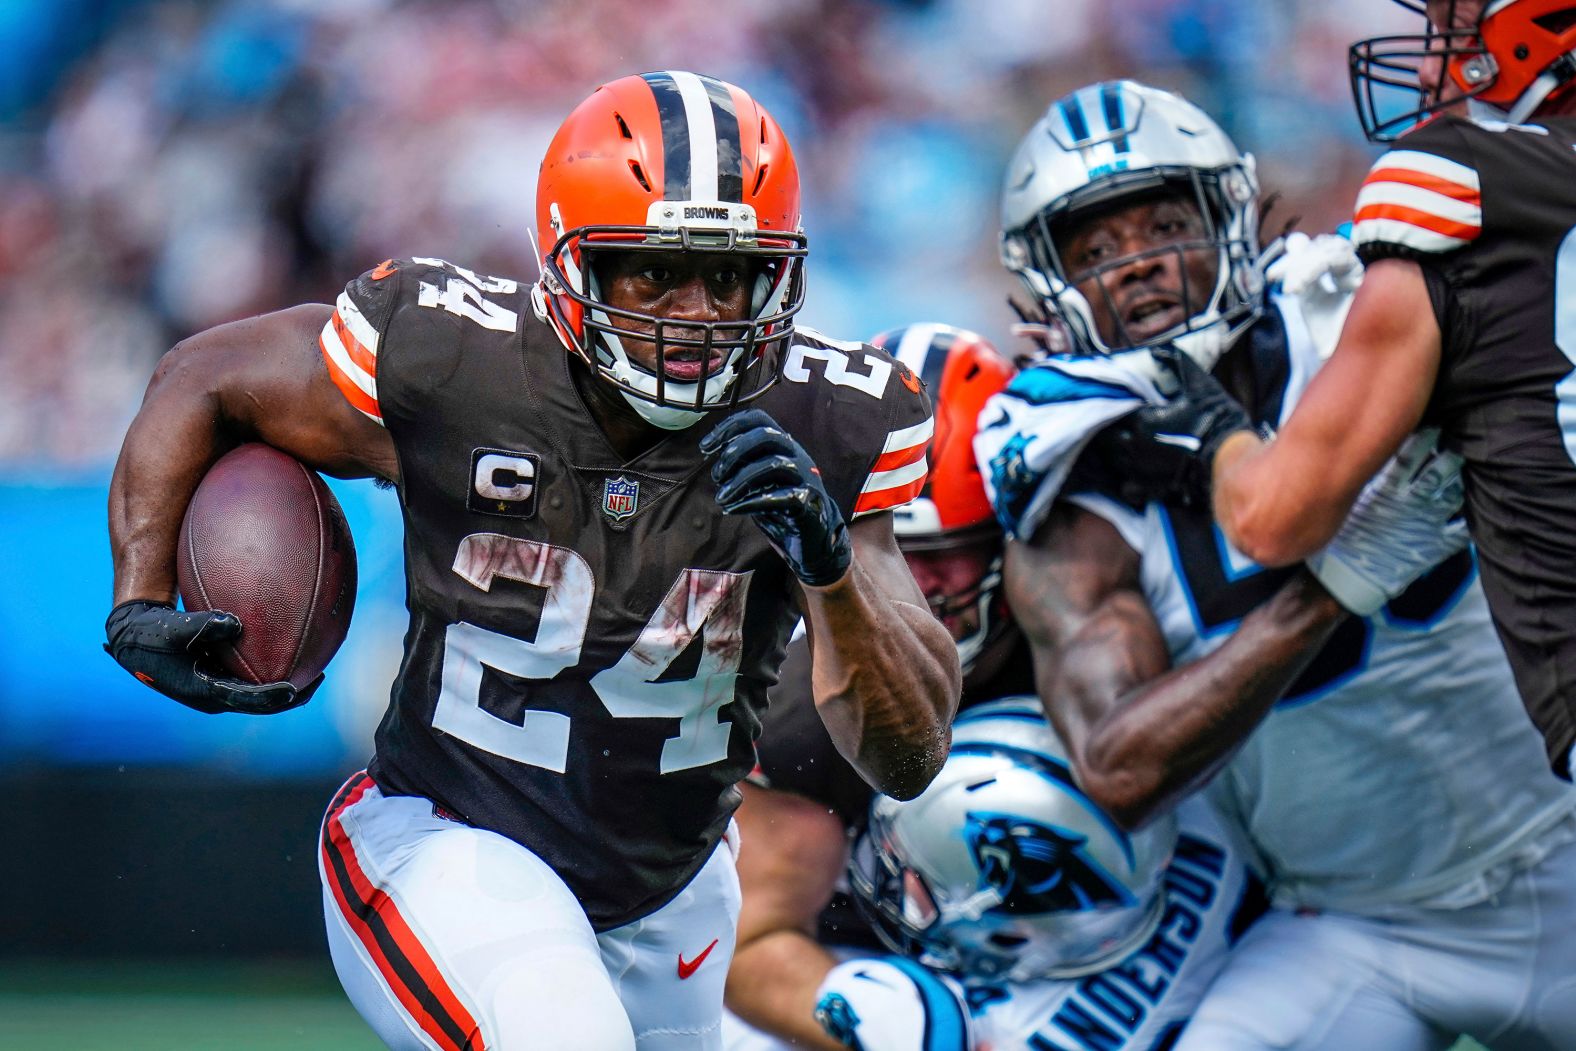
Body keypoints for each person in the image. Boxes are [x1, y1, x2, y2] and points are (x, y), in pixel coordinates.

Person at [102, 71, 961, 1051]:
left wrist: (828, 565)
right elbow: (205, 376)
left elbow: (909, 755)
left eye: (727, 276)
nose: (692, 315)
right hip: (448, 831)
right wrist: (139, 591)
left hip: (672, 890)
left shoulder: (833, 420)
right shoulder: (456, 358)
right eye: (650, 271)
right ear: (570, 264)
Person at [977, 79, 1576, 1049]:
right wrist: (1329, 592)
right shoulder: (1074, 479)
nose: (1138, 267)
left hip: (1561, 840)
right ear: (1048, 280)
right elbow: (1119, 766)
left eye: (1163, 224)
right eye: (1095, 249)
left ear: (1231, 215)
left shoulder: (1361, 310)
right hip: (1355, 925)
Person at [723, 326, 1260, 1051]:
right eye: (888, 548)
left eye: (947, 551)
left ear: (1009, 526)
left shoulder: (1078, 605)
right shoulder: (803, 710)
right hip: (901, 962)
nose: (918, 583)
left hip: (1135, 921)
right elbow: (754, 946)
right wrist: (886, 1025)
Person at [1102, 0, 1576, 779]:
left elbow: (1272, 517)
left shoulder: (1461, 183)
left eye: (1450, 28)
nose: (1430, 64)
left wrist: (1214, 426)